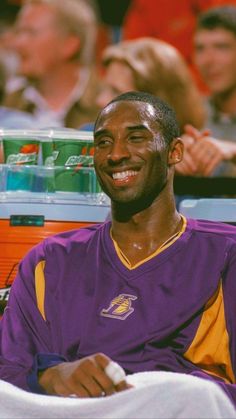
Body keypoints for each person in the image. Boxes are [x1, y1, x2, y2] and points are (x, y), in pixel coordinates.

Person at [1, 92, 236, 419]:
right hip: (68, 410)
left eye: (136, 138)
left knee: (194, 394)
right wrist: (53, 375)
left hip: (167, 408)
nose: (116, 154)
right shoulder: (49, 259)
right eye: (103, 142)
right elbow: (10, 370)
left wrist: (144, 390)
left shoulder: (225, 253)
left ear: (174, 152)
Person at [1, 0, 101, 129]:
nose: (17, 43)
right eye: (18, 32)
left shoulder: (106, 105)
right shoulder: (9, 102)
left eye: (30, 32)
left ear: (70, 44)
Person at [96, 37, 206, 133]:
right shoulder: (89, 136)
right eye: (103, 89)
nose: (100, 101)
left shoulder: (199, 153)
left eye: (116, 91)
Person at [180, 4, 236, 177]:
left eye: (221, 47)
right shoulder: (192, 115)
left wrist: (233, 151)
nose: (208, 60)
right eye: (200, 49)